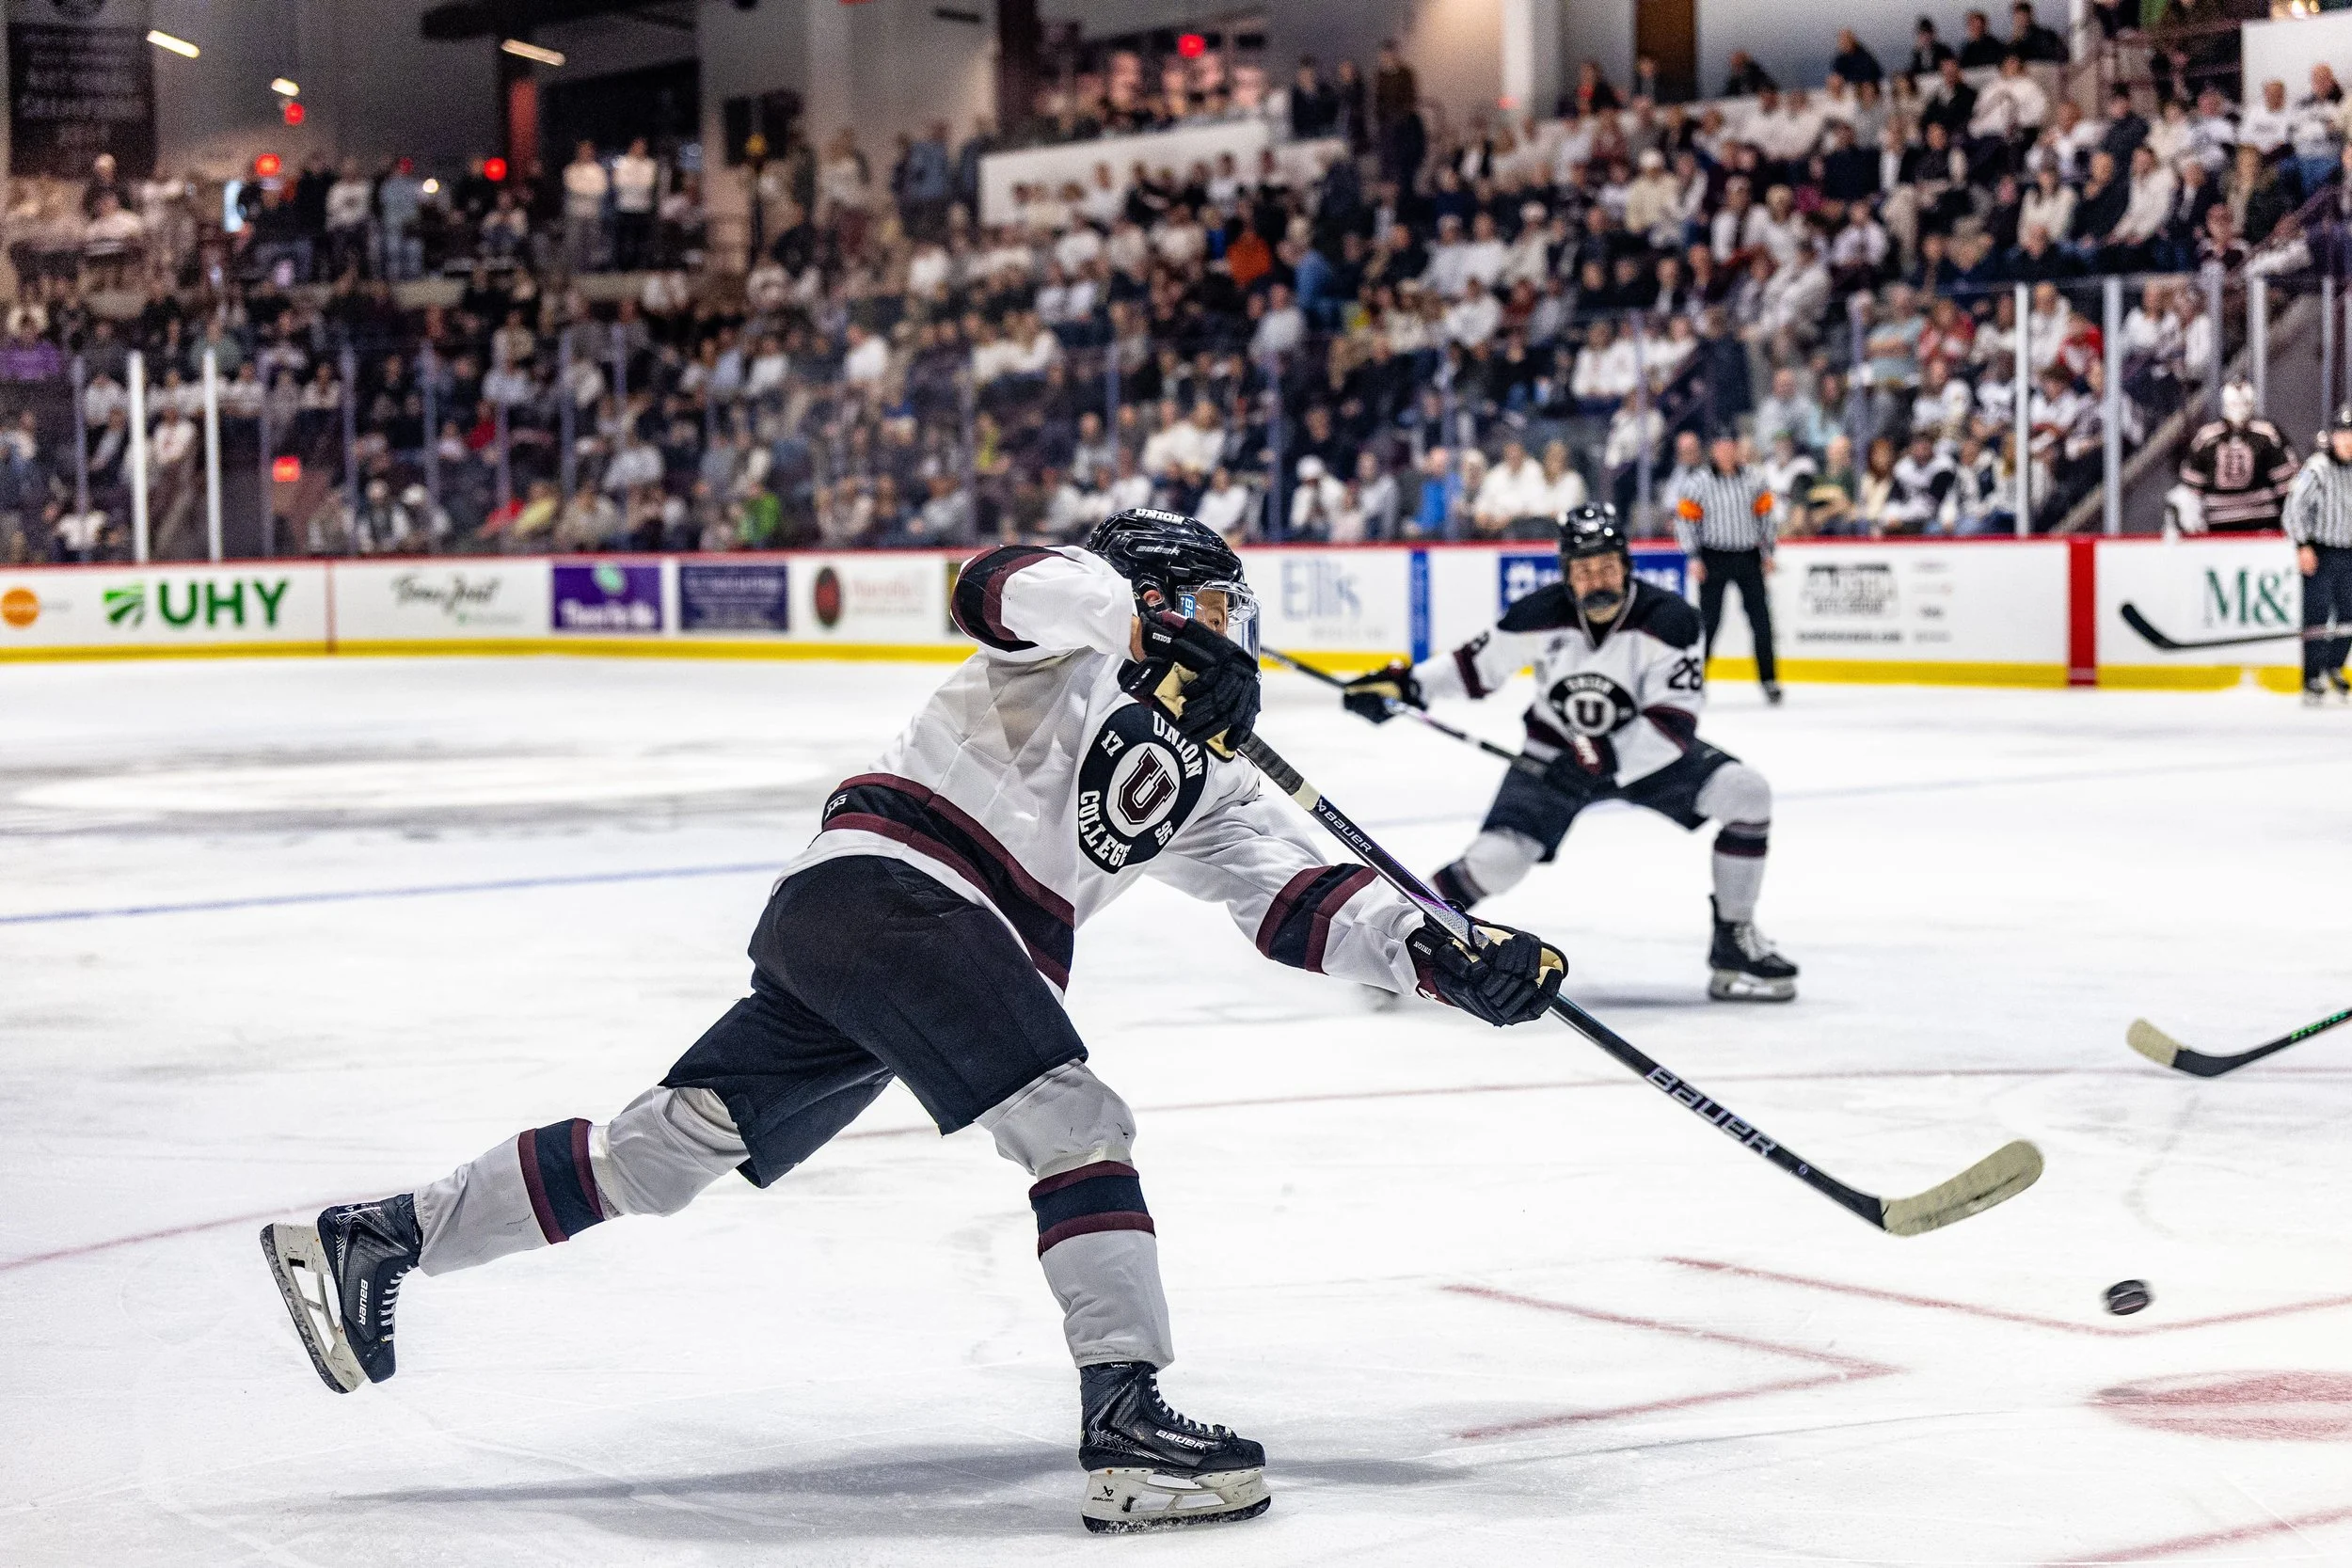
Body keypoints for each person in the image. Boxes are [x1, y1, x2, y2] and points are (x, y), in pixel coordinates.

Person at [258, 510, 1563, 1533]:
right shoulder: (1068, 633)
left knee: (666, 1150)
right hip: (899, 890)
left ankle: (377, 1236)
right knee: (1075, 1115)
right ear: (1156, 597)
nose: (1238, 632)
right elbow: (992, 576)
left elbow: (1302, 897)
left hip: (883, 936)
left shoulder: (1205, 775)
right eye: (1215, 606)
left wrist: (1448, 958)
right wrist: (1136, 629)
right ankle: (1126, 1423)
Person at [1338, 507, 1799, 1001]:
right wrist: (1407, 687)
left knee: (1746, 794)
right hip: (1554, 756)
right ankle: (1400, 937)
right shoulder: (1541, 613)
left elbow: (1674, 724)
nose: (1595, 579)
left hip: (1646, 756)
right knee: (1496, 862)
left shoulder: (1672, 620)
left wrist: (1605, 755)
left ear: (1625, 565)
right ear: (1566, 575)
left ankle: (1734, 939)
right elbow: (1473, 667)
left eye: (1605, 567)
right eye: (1582, 570)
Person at [1673, 434, 1784, 705]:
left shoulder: (1754, 479)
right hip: (1714, 557)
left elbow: (1766, 516)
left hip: (1748, 556)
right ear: (1713, 451)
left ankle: (1769, 679)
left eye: (1730, 449)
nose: (1725, 454)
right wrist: (1694, 556)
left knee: (1761, 621)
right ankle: (1697, 681)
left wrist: (1768, 552)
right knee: (1709, 622)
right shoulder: (1698, 483)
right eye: (1720, 449)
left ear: (1736, 450)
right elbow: (1686, 521)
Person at [2281, 407, 2352, 705]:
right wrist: (2302, 545)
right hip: (2321, 551)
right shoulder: (2317, 468)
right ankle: (2311, 675)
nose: (2349, 440)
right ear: (2333, 437)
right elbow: (2293, 508)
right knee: (2317, 615)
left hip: (2349, 552)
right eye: (2344, 434)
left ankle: (2334, 667)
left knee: (2349, 614)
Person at [2174, 378, 2297, 534]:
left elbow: (2288, 486)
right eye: (2234, 404)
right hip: (2216, 529)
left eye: (2243, 403)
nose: (2239, 409)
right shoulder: (2206, 438)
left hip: (2263, 526)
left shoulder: (2267, 434)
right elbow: (2190, 492)